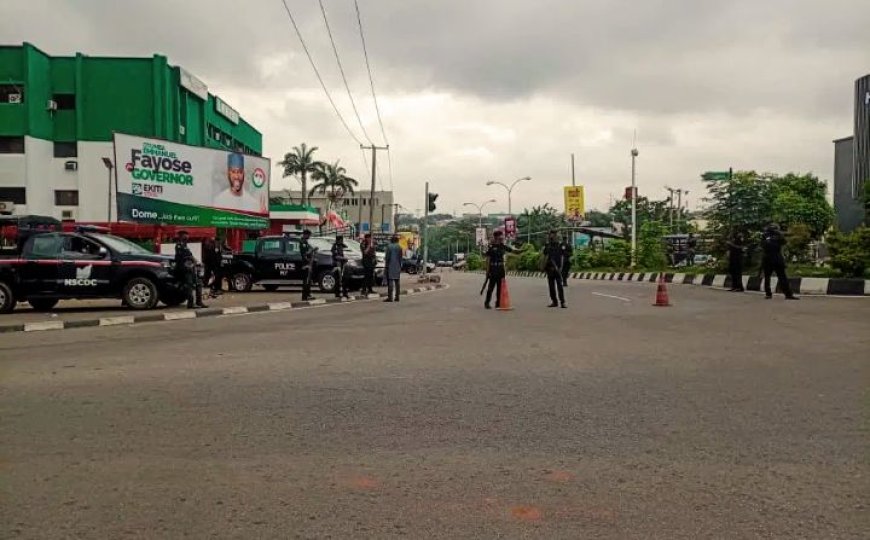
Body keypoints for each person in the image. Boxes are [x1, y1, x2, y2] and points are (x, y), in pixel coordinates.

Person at [761, 224, 798, 300]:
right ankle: (787, 294)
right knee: (780, 277)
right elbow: (784, 242)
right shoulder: (774, 235)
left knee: (771, 277)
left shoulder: (766, 235)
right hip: (774, 258)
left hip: (770, 258)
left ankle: (769, 294)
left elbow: (763, 245)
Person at [483, 230, 517, 309]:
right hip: (493, 269)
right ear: (496, 237)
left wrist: (522, 250)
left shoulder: (502, 246)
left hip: (501, 269)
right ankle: (487, 303)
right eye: (501, 236)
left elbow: (512, 250)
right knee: (491, 287)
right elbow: (488, 259)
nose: (502, 237)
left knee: (500, 287)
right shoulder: (491, 247)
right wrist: (487, 271)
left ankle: (498, 303)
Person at [174, 230, 207, 309]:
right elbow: (183, 257)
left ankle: (199, 302)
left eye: (187, 235)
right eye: (185, 235)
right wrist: (191, 259)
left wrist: (195, 261)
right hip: (184, 269)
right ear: (181, 236)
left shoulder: (185, 245)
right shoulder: (179, 245)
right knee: (189, 285)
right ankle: (190, 303)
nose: (187, 237)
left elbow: (190, 255)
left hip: (190, 268)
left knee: (199, 284)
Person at [543, 230, 567, 308]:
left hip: (558, 269)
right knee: (551, 287)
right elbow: (545, 255)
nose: (552, 236)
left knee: (560, 286)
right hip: (550, 268)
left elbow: (562, 256)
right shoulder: (548, 245)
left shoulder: (560, 245)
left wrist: (561, 267)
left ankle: (562, 302)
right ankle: (554, 301)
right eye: (551, 235)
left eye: (553, 235)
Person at [384, 234, 402, 302]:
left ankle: (390, 297)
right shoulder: (399, 247)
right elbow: (400, 258)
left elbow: (387, 257)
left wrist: (386, 265)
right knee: (397, 282)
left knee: (390, 281)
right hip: (397, 265)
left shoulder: (389, 247)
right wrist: (400, 266)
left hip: (390, 265)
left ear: (391, 240)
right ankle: (397, 297)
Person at [300, 229, 316, 301]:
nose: (309, 236)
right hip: (305, 264)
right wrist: (312, 250)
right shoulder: (302, 242)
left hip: (307, 263)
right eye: (308, 235)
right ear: (305, 234)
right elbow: (305, 254)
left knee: (308, 280)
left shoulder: (305, 242)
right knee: (306, 280)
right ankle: (304, 296)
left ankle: (307, 295)